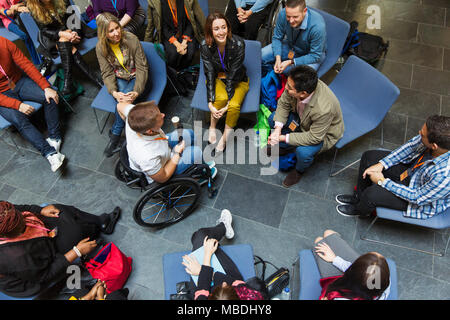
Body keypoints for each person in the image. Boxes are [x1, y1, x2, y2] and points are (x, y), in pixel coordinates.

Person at [336, 115, 450, 219]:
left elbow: (417, 197)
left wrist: (382, 181)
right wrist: (382, 164)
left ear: (434, 146)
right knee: (369, 157)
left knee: (372, 194)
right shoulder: (433, 138)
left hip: (416, 195)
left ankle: (360, 209)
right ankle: (358, 197)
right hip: (412, 171)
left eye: (422, 135)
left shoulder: (444, 177)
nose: (419, 132)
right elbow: (409, 147)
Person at [0, 201, 121, 298]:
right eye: (22, 224)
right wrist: (76, 252)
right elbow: (45, 275)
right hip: (36, 276)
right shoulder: (16, 256)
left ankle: (101, 223)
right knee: (75, 233)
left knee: (60, 211)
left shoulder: (4, 214)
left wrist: (39, 210)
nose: (24, 216)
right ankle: (70, 281)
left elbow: (18, 208)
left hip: (38, 247)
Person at [267, 65, 344, 187]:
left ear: (303, 93)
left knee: (303, 152)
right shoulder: (295, 83)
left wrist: (282, 137)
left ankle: (299, 171)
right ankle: (284, 147)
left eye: (289, 88)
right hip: (301, 118)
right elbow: (283, 104)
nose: (285, 88)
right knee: (273, 119)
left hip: (321, 134)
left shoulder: (324, 108)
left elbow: (314, 137)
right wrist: (277, 131)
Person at [0, 36, 65, 172]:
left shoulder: (3, 42)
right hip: (2, 95)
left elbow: (26, 64)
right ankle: (50, 153)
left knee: (51, 95)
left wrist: (45, 86)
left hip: (18, 81)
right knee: (19, 120)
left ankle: (54, 138)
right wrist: (17, 105)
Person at [116, 100, 217, 185]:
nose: (163, 115)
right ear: (150, 131)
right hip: (164, 168)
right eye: (160, 117)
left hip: (162, 144)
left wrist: (125, 118)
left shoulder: (133, 115)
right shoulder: (146, 156)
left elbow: (119, 105)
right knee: (197, 152)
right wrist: (177, 154)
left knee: (188, 134)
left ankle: (195, 163)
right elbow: (163, 177)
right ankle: (200, 175)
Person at [95, 12, 149, 157]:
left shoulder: (131, 39)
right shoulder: (100, 48)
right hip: (119, 77)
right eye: (110, 31)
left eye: (117, 28)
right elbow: (107, 73)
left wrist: (137, 91)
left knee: (124, 101)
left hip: (136, 76)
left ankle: (115, 134)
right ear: (103, 33)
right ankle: (125, 135)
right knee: (122, 98)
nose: (116, 33)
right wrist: (113, 92)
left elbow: (143, 67)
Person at [182, 209, 266, 300]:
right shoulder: (249, 295)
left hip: (206, 287)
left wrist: (202, 268)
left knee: (200, 236)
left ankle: (223, 228)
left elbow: (202, 290)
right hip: (231, 279)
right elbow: (232, 281)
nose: (224, 283)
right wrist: (205, 270)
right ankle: (222, 229)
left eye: (222, 286)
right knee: (201, 237)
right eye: (227, 286)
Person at [26, 0, 103, 95]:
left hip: (71, 30)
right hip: (52, 36)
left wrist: (75, 34)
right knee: (63, 41)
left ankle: (68, 83)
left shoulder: (63, 1)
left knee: (64, 42)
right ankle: (97, 81)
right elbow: (44, 30)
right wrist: (62, 34)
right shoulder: (35, 8)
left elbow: (74, 19)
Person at [200, 12, 249, 155]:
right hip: (218, 78)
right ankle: (212, 127)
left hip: (238, 79)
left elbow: (233, 75)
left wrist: (228, 103)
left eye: (224, 27)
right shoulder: (205, 45)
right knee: (217, 99)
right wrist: (210, 102)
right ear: (210, 31)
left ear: (228, 27)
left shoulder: (239, 44)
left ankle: (224, 139)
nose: (221, 32)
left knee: (233, 106)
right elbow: (209, 72)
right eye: (216, 29)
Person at [313, 230, 391, 300]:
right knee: (328, 234)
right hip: (358, 278)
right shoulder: (383, 280)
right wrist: (335, 259)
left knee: (319, 241)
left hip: (346, 283)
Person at [261, 0, 326, 76]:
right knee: (261, 55)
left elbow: (315, 56)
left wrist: (290, 62)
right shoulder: (283, 14)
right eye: (288, 16)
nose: (291, 21)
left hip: (310, 54)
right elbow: (277, 38)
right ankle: (272, 77)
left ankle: (281, 76)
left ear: (304, 11)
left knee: (300, 77)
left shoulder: (317, 27)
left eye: (295, 17)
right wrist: (277, 58)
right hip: (291, 46)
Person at [144, 0, 205, 72]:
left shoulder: (188, 1)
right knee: (173, 53)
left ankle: (183, 73)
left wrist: (184, 42)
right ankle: (172, 74)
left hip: (186, 31)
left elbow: (192, 22)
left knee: (190, 52)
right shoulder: (156, 2)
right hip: (168, 34)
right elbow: (161, 26)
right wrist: (145, 50)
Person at [0, 0, 41, 64]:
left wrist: (17, 6)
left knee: (33, 31)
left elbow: (24, 2)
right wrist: (16, 8)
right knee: (24, 35)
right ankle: (37, 62)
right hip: (9, 21)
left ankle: (42, 57)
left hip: (20, 15)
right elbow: (6, 12)